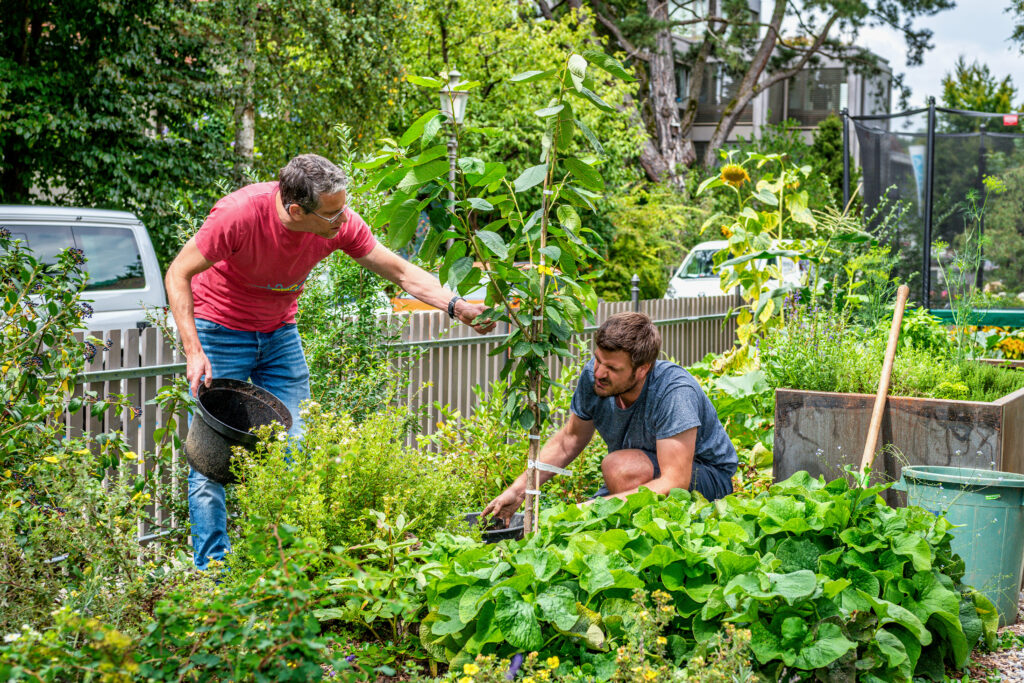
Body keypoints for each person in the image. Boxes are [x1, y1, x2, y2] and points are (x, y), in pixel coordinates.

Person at [165, 153, 493, 569]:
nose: (345, 219)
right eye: (334, 212)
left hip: (280, 334)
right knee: (212, 459)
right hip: (220, 331)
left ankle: (280, 566)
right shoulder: (239, 215)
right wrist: (194, 351)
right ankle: (211, 571)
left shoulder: (339, 223)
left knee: (296, 448)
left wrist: (456, 305)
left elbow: (401, 272)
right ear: (297, 210)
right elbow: (178, 272)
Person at [482, 312, 736, 525]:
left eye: (613, 368)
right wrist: (518, 491)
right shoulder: (594, 377)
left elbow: (675, 480)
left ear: (643, 369)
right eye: (598, 360)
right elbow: (568, 441)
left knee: (620, 468)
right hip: (644, 471)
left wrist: (593, 509)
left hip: (707, 479)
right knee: (617, 475)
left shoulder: (674, 392)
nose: (600, 373)